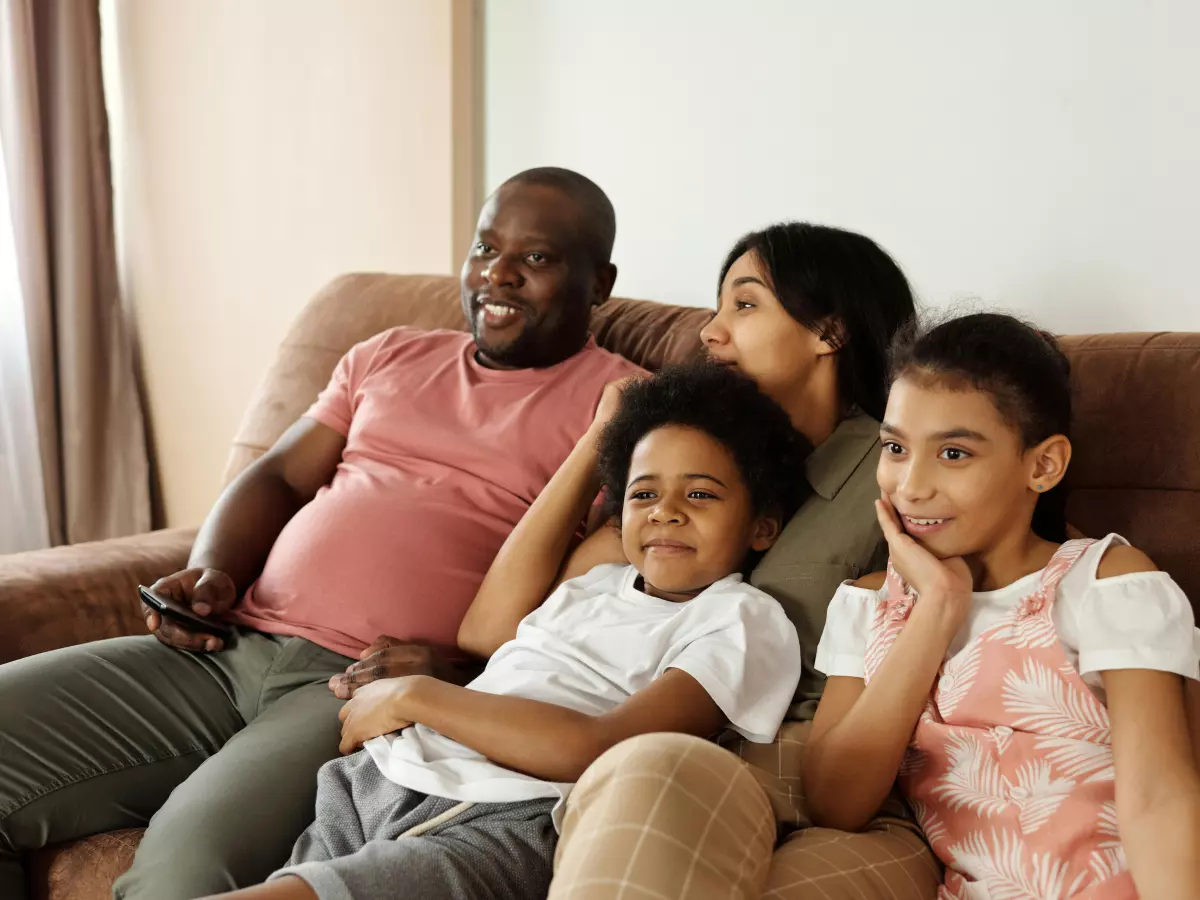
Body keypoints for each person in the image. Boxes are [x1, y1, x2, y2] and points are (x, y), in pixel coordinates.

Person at [0, 167, 644, 900]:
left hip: (357, 688)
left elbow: (601, 598)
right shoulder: (390, 353)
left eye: (535, 258)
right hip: (228, 649)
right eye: (485, 247)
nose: (497, 274)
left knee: (184, 871)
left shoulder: (622, 409)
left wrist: (463, 668)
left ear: (599, 283)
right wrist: (215, 570)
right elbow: (277, 476)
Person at [202, 363, 806, 900]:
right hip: (381, 777)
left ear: (763, 527)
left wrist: (418, 697)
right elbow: (485, 632)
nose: (664, 512)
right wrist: (601, 434)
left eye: (700, 494)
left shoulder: (741, 617)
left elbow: (601, 748)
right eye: (643, 493)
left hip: (505, 814)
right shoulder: (597, 582)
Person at [521, 224, 942, 899]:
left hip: (806, 770)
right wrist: (599, 439)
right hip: (651, 753)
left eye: (743, 306)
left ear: (829, 332)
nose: (710, 334)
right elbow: (517, 618)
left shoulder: (893, 466)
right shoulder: (690, 462)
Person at [804, 313, 1200, 898]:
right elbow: (837, 801)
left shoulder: (1108, 585)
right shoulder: (868, 605)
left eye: (954, 454)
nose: (911, 486)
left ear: (1042, 465)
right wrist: (937, 607)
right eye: (894, 447)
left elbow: (1159, 800)